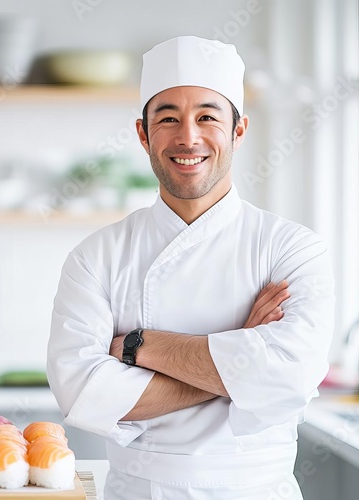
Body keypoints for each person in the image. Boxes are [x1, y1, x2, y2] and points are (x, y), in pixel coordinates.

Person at [47, 36, 335, 499]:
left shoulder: (292, 249)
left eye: (207, 117)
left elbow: (291, 376)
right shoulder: (96, 256)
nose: (188, 137)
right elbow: (82, 393)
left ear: (238, 130)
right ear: (143, 134)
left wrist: (141, 347)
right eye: (167, 119)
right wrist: (242, 352)